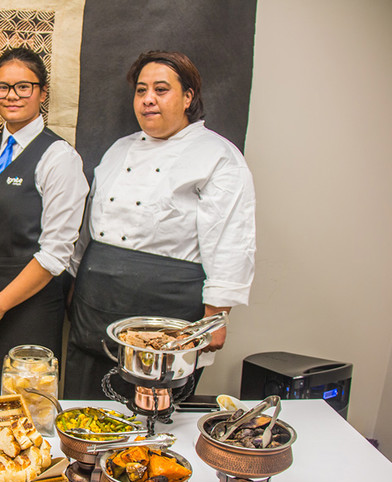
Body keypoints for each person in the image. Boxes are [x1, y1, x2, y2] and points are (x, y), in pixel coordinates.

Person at [65, 50, 256, 399]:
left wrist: (217, 317)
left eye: (161, 89)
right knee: (84, 398)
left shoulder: (217, 155)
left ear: (188, 97)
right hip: (97, 298)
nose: (148, 99)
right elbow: (91, 223)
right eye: (141, 90)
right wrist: (76, 280)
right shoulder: (119, 150)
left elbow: (229, 238)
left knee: (152, 406)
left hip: (165, 306)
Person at [0, 47, 90, 396]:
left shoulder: (60, 158)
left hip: (30, 307)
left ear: (42, 93)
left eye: (23, 87)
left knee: (29, 407)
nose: (11, 95)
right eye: (2, 87)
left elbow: (55, 254)